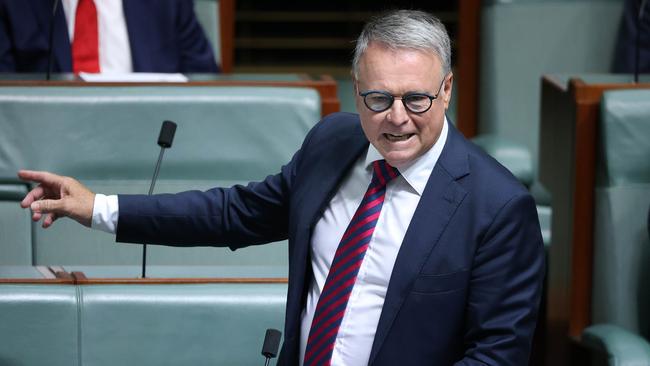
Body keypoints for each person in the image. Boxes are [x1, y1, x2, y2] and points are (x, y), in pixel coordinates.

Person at [18, 10, 544, 366]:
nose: (397, 120)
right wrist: (97, 208)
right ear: (356, 90)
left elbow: (494, 356)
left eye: (417, 99)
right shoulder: (332, 144)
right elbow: (232, 213)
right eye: (379, 98)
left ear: (447, 90)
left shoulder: (498, 207)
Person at [0, 0, 219, 73]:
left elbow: (204, 82)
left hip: (150, 150)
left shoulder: (168, 4)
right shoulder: (15, 5)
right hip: (49, 152)